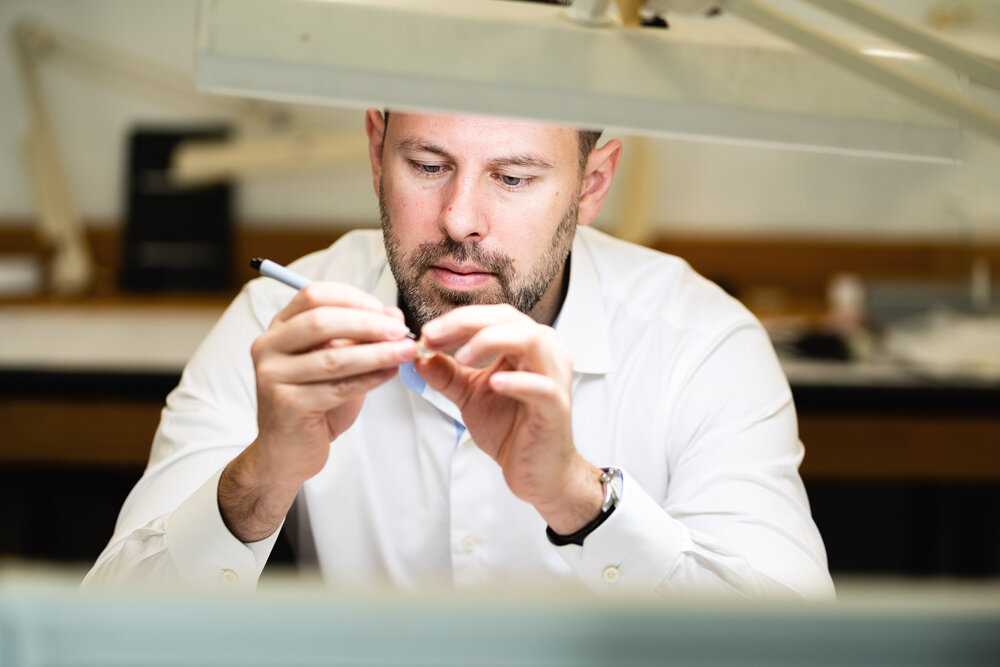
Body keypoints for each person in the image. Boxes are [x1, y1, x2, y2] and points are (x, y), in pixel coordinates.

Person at [84, 109, 834, 598]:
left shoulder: (701, 343)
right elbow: (101, 640)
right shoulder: (281, 323)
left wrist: (580, 500)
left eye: (512, 177)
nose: (461, 220)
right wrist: (260, 477)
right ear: (377, 148)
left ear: (592, 183)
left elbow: (797, 648)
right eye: (428, 165)